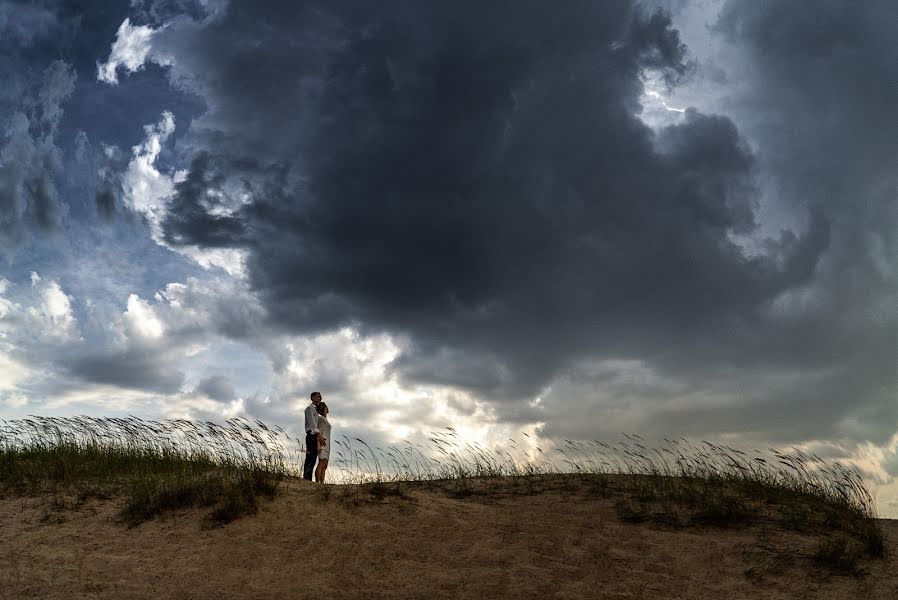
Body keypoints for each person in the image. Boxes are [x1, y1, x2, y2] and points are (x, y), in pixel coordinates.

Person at [303, 392, 326, 481]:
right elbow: (312, 424)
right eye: (318, 397)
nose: (320, 398)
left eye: (320, 397)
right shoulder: (309, 409)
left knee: (313, 458)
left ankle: (308, 479)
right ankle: (306, 479)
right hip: (311, 435)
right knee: (310, 458)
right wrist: (319, 436)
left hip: (314, 436)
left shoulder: (316, 410)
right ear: (312, 398)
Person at [314, 401, 331, 484]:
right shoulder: (321, 419)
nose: (328, 408)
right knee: (321, 463)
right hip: (322, 443)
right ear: (324, 408)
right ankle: (317, 483)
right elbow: (319, 432)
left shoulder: (325, 419)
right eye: (326, 407)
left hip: (327, 444)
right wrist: (318, 445)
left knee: (325, 465)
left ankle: (322, 483)